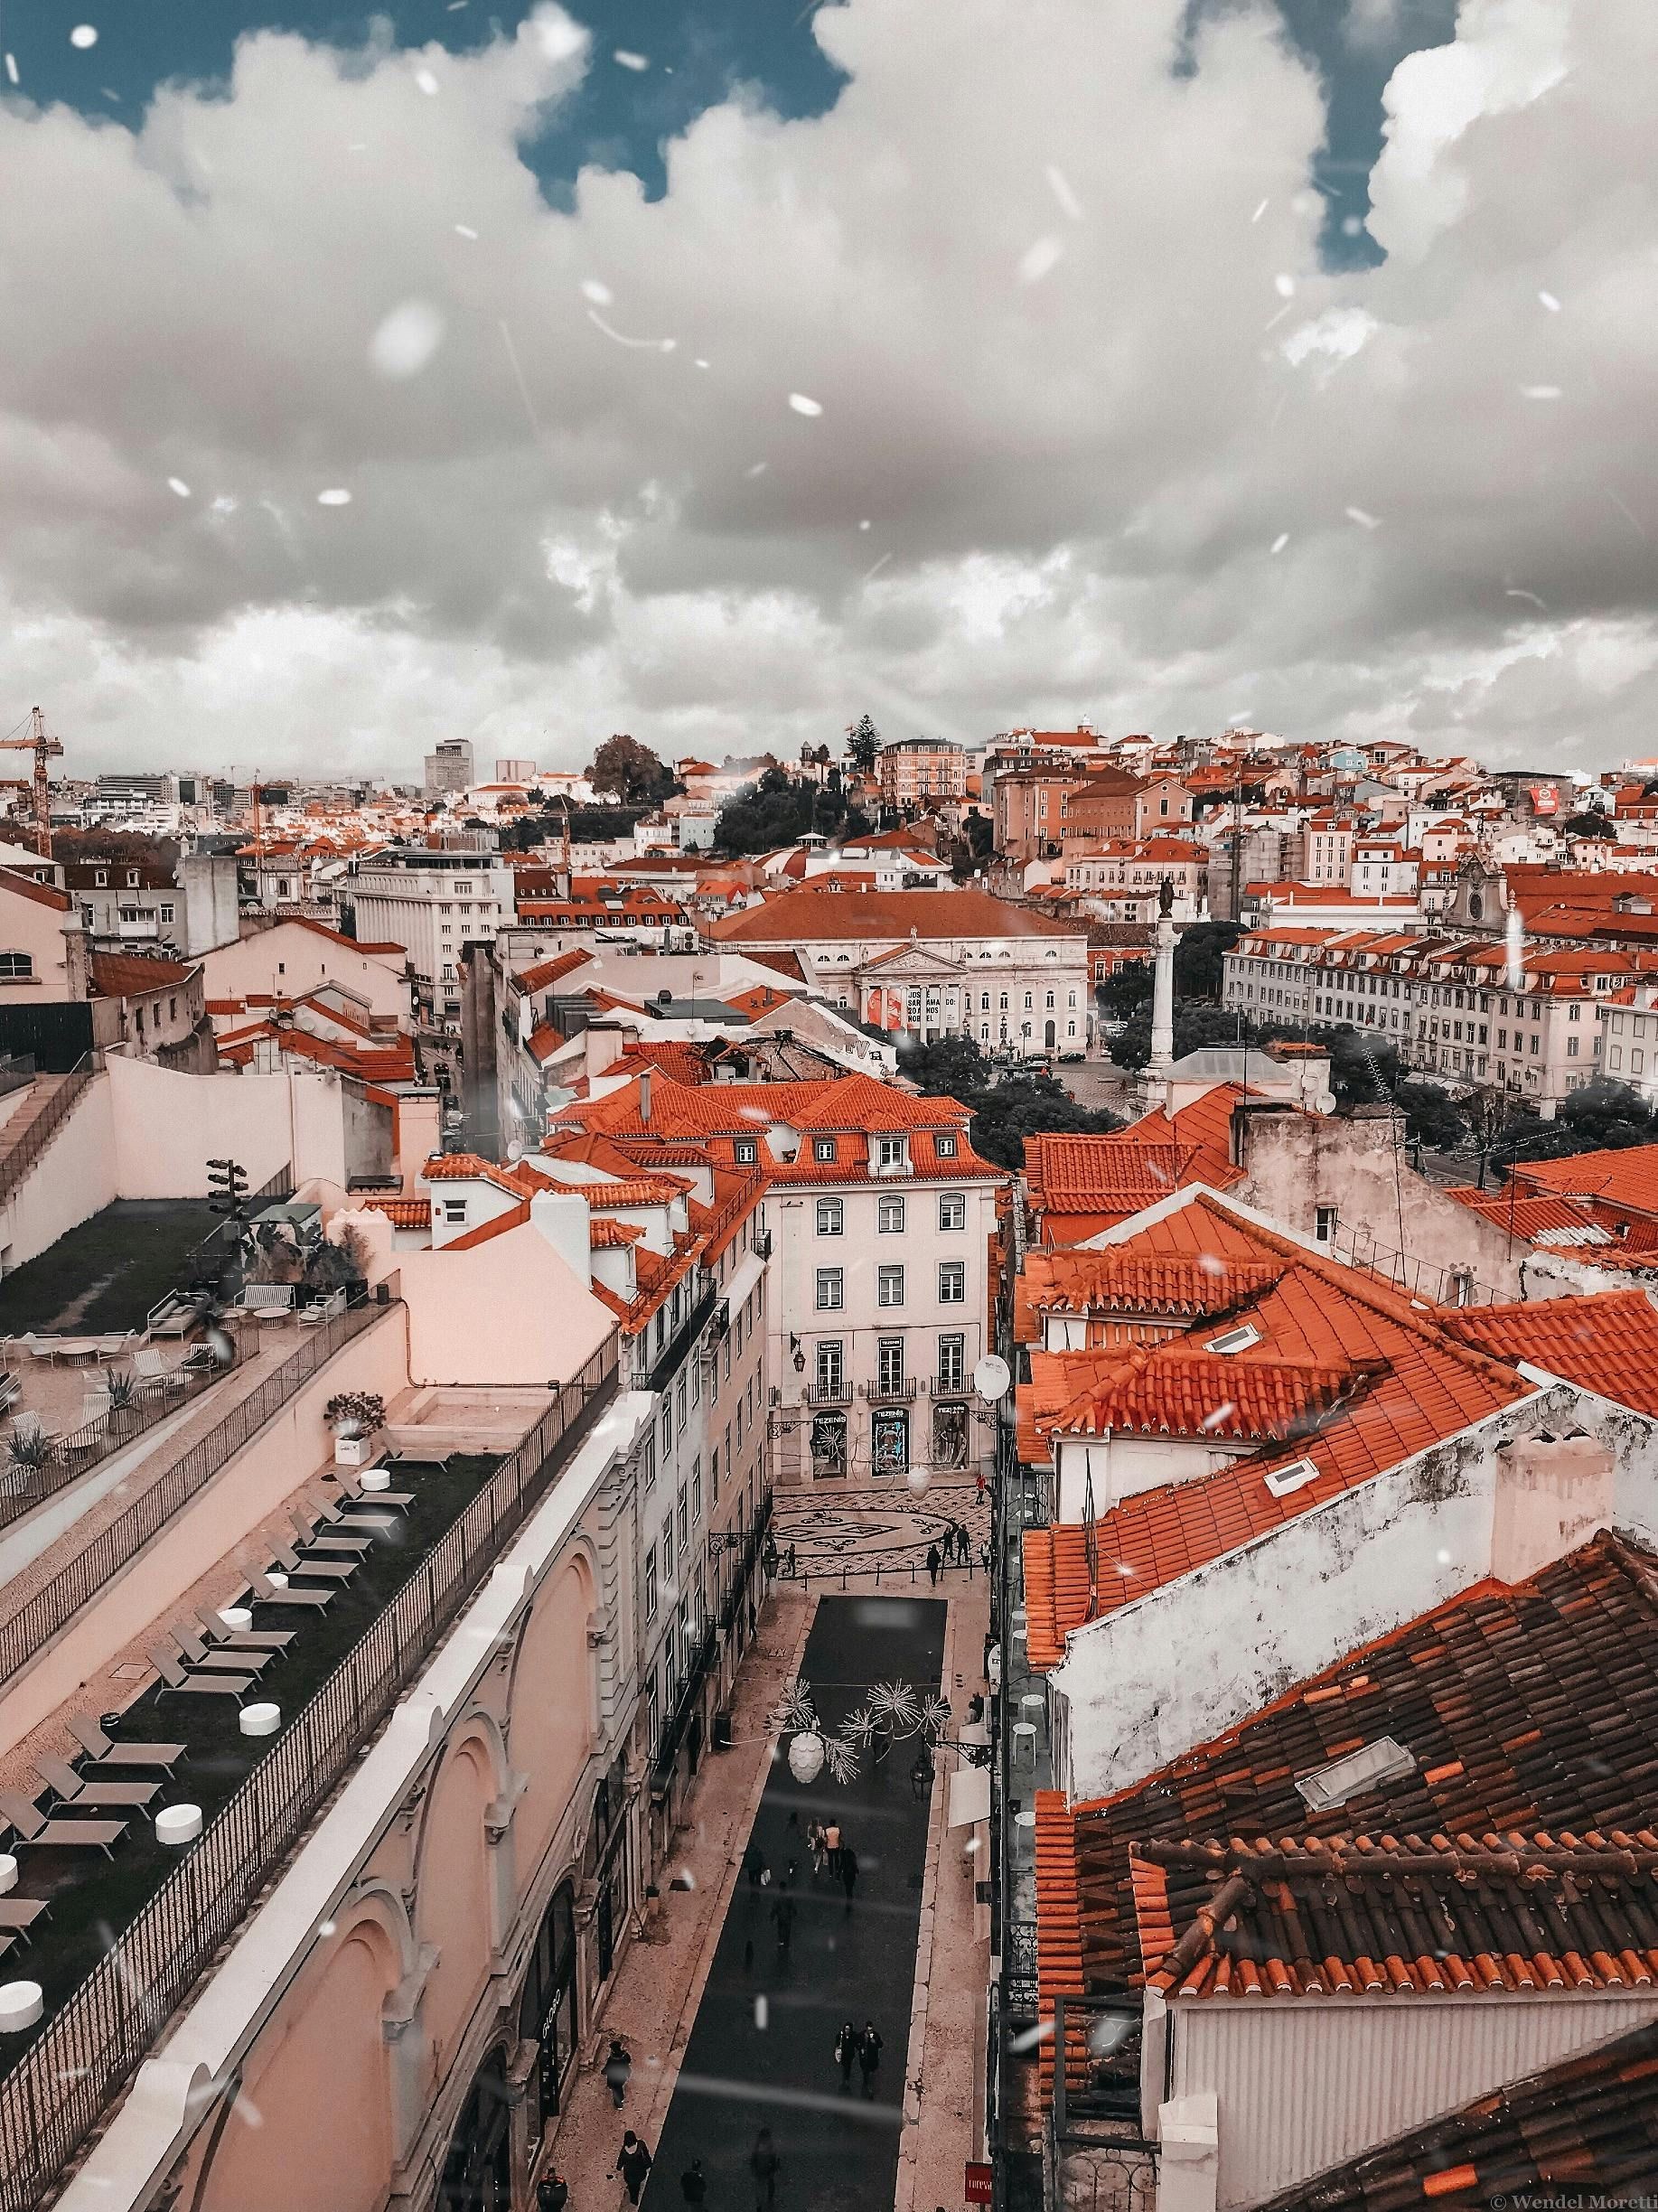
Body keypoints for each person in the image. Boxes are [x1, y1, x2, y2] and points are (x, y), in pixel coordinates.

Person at [616, 2132, 652, 2207]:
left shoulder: (624, 2151)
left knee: (632, 2187)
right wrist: (649, 2164)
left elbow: (620, 2163)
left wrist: (619, 2167)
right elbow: (646, 2155)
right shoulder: (641, 2144)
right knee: (637, 2186)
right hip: (640, 2173)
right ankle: (634, 2198)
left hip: (629, 2175)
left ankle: (633, 2199)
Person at [750, 2126, 780, 2212]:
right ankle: (762, 2203)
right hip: (762, 2171)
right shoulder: (760, 2146)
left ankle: (765, 2202)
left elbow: (773, 2159)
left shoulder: (767, 2146)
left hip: (765, 2170)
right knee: (762, 2188)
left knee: (765, 2186)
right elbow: (754, 2158)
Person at [858, 2020, 884, 2098]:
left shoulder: (875, 2035)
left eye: (871, 2030)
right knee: (865, 2073)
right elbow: (858, 2043)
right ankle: (866, 2086)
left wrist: (875, 2042)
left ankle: (870, 2087)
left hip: (873, 2058)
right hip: (864, 2058)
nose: (870, 2031)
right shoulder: (861, 2035)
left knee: (872, 2073)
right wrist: (860, 2048)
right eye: (868, 2030)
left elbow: (880, 2045)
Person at [604, 2038, 632, 2109]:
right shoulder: (624, 2056)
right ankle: (622, 2098)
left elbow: (607, 2067)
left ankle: (618, 2105)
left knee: (615, 2091)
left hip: (612, 2078)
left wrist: (603, 2071)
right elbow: (628, 2061)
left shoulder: (611, 2059)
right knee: (619, 2088)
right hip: (621, 2077)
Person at [835, 2019, 857, 2090]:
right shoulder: (841, 2035)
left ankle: (846, 2079)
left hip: (850, 2055)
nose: (847, 2030)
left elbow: (856, 2043)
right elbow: (837, 2041)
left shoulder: (853, 2035)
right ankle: (845, 2078)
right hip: (843, 2054)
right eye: (846, 2028)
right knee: (845, 2066)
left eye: (848, 2029)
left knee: (848, 2067)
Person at [771, 1889, 796, 1955]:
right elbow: (792, 1906)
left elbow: (775, 1908)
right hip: (787, 1918)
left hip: (781, 1917)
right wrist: (794, 1913)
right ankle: (786, 1945)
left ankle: (781, 1943)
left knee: (780, 1930)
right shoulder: (789, 1898)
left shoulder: (778, 1898)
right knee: (787, 1931)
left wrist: (772, 1916)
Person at [839, 1844, 859, 1910]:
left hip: (845, 1876)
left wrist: (838, 1874)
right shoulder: (853, 1863)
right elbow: (856, 1868)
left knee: (847, 1889)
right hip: (851, 1876)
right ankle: (849, 1899)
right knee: (850, 1889)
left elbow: (841, 1866)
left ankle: (848, 1900)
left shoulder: (844, 1862)